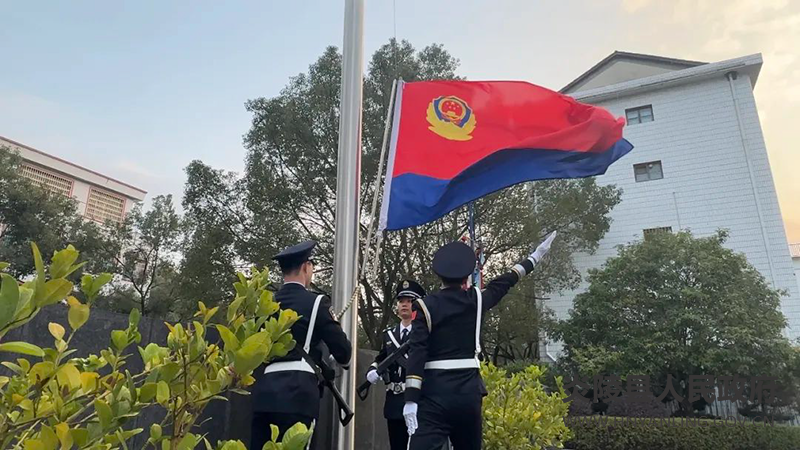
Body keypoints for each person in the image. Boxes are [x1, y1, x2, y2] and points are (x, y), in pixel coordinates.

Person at [402, 232, 557, 450]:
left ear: (440, 275)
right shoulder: (476, 300)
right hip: (468, 392)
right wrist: (533, 258)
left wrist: (410, 398)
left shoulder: (426, 306)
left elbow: (418, 350)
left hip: (435, 393)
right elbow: (505, 282)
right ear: (467, 276)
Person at [250, 240, 352, 449]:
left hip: (266, 391)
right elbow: (343, 353)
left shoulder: (266, 304)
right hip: (298, 390)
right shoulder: (317, 302)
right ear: (306, 267)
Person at [364, 279, 427, 450]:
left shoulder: (423, 333)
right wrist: (373, 369)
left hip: (418, 399)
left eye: (410, 301)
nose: (405, 305)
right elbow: (382, 358)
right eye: (401, 301)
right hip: (394, 400)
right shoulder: (389, 335)